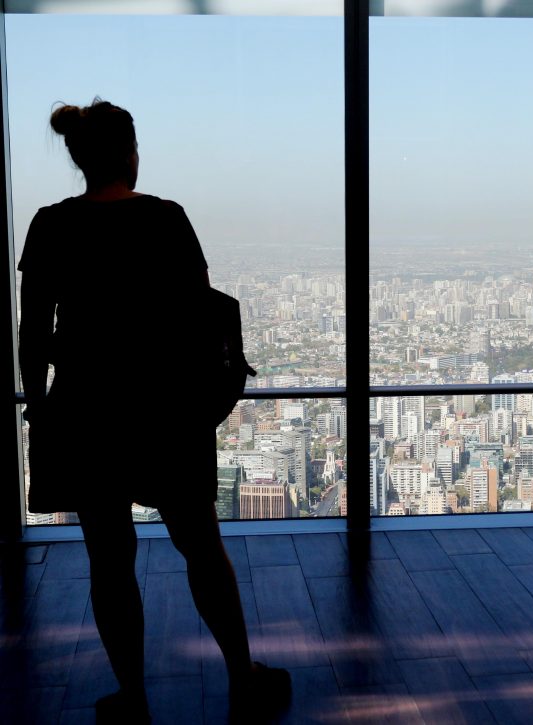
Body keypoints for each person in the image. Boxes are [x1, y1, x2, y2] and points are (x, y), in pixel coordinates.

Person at [17, 99, 290, 724]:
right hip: (167, 412)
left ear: (80, 159)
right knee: (201, 547)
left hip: (85, 412)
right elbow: (200, 312)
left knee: (109, 561)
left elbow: (34, 332)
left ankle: (132, 696)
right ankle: (241, 674)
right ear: (130, 154)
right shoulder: (165, 219)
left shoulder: (50, 224)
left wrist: (39, 408)